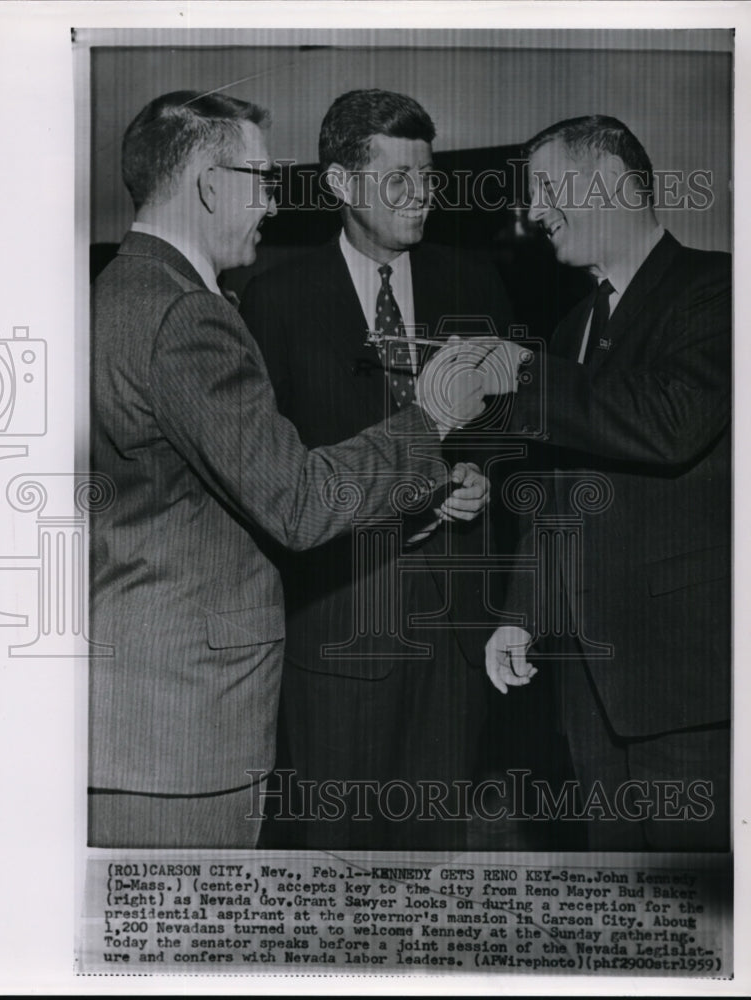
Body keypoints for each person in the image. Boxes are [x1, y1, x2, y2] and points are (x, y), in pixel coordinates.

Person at [88, 89, 517, 849]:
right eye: (260, 181)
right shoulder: (193, 313)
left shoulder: (125, 291)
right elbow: (297, 500)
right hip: (187, 719)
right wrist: (434, 416)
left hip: (158, 709)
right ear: (212, 186)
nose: (271, 207)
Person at [241, 89, 515, 850]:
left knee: (431, 869)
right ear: (339, 183)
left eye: (427, 177)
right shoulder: (272, 302)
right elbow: (273, 480)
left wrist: (479, 476)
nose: (421, 196)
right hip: (336, 627)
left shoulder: (475, 285)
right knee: (337, 870)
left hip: (453, 634)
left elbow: (502, 436)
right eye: (398, 178)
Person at [486, 115, 731, 850]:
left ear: (618, 185)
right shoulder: (571, 330)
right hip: (589, 687)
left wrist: (521, 372)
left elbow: (670, 423)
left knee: (698, 909)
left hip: (685, 684)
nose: (533, 213)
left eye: (550, 191)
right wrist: (521, 614)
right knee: (619, 900)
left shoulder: (719, 290)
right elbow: (554, 500)